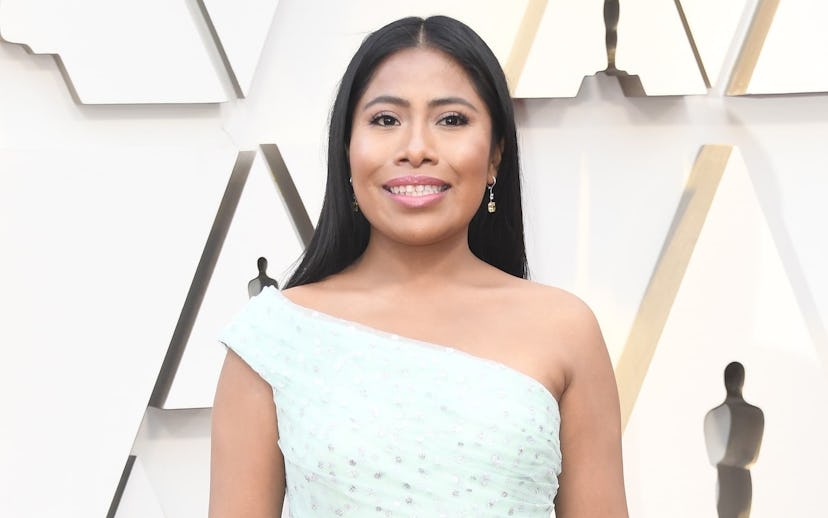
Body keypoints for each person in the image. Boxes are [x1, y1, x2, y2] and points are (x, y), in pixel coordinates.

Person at [210, 15, 628, 518]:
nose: (416, 150)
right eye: (386, 120)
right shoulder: (273, 337)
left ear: (496, 155)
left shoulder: (565, 329)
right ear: (346, 150)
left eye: (451, 120)